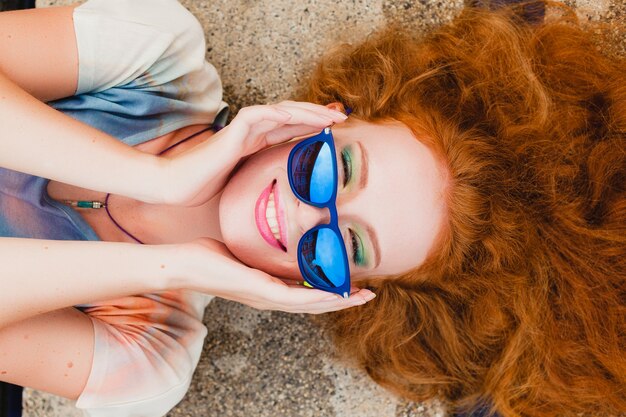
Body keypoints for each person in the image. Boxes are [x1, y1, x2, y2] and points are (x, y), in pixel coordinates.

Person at [0, 1, 623, 417]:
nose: (305, 216)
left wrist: (169, 268)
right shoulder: (156, 53)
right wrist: (154, 177)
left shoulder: (146, 364)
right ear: (336, 111)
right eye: (336, 169)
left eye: (346, 247)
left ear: (352, 294)